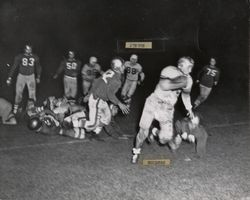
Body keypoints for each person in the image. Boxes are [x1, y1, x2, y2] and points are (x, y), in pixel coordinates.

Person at [131, 57, 195, 164]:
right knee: (142, 133)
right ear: (180, 66)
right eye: (188, 67)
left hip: (167, 109)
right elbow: (164, 85)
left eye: (191, 67)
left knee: (164, 139)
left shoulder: (189, 80)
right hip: (153, 102)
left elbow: (186, 94)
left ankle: (154, 131)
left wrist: (189, 109)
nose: (190, 70)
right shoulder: (169, 70)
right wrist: (182, 80)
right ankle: (136, 152)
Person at [73, 57, 130, 134]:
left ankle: (95, 132)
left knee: (107, 118)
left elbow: (96, 81)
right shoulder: (116, 80)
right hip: (96, 100)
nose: (124, 67)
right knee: (92, 124)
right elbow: (110, 94)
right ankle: (73, 123)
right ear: (117, 68)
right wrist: (120, 104)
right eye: (122, 66)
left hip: (101, 99)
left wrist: (89, 93)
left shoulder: (110, 71)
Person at [6, 45, 42, 114]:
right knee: (18, 93)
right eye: (27, 49)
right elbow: (14, 66)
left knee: (32, 94)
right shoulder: (19, 56)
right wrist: (9, 77)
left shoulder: (35, 57)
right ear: (24, 49)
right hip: (21, 76)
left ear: (31, 49)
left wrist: (38, 76)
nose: (28, 51)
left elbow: (38, 67)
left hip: (31, 76)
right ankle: (16, 108)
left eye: (30, 49)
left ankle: (31, 109)